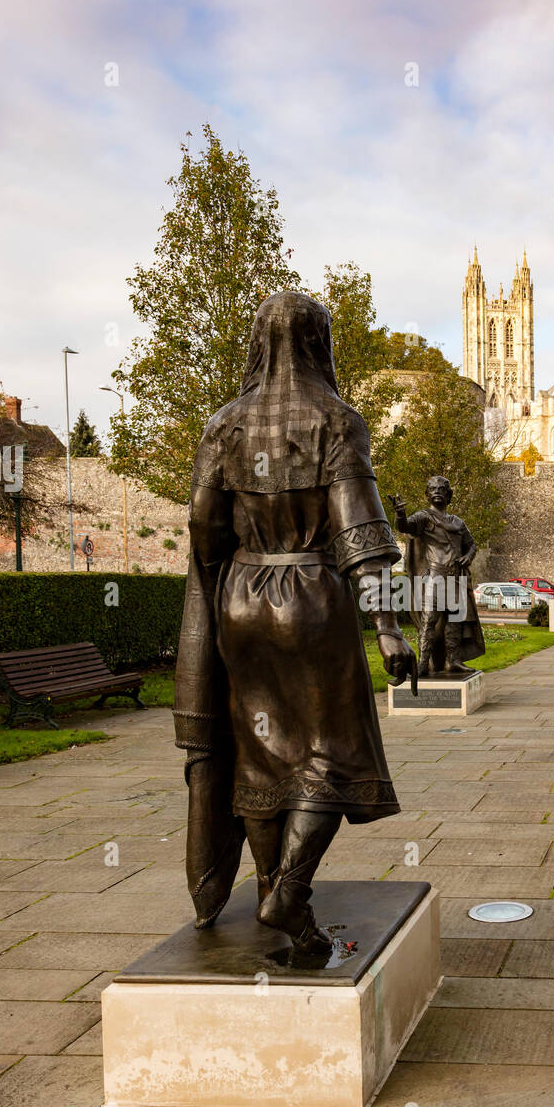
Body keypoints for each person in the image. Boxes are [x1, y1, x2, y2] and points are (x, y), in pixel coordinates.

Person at [173, 291, 417, 954]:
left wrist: (232, 577)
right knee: (329, 756)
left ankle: (269, 891)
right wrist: (387, 627)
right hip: (312, 597)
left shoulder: (224, 424)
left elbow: (203, 527)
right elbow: (360, 532)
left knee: (260, 754)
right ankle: (288, 893)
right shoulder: (336, 422)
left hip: (239, 601)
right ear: (319, 343)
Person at [390, 477, 485, 677]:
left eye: (442, 489)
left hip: (456, 577)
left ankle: (454, 661)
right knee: (429, 621)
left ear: (449, 496)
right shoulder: (424, 518)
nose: (437, 492)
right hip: (435, 576)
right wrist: (400, 514)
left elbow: (472, 544)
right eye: (432, 489)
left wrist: (468, 557)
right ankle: (424, 663)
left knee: (454, 622)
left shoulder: (458, 522)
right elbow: (406, 527)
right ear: (427, 495)